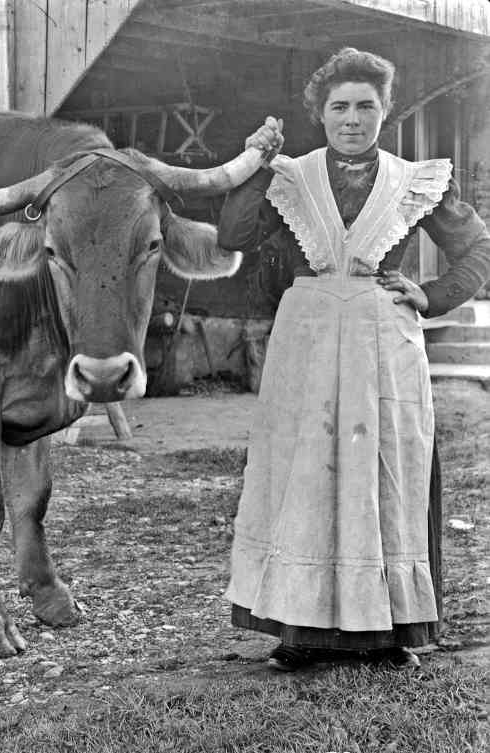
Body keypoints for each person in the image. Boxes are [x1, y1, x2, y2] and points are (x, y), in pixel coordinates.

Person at [218, 47, 490, 672]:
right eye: (339, 106)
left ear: (384, 110)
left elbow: (475, 248)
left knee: (385, 471)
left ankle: (389, 630)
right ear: (320, 112)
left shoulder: (413, 178)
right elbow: (232, 236)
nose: (351, 119)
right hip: (306, 340)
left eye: (365, 106)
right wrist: (256, 163)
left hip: (381, 340)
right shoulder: (288, 175)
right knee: (303, 473)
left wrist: (433, 294)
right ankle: (298, 629)